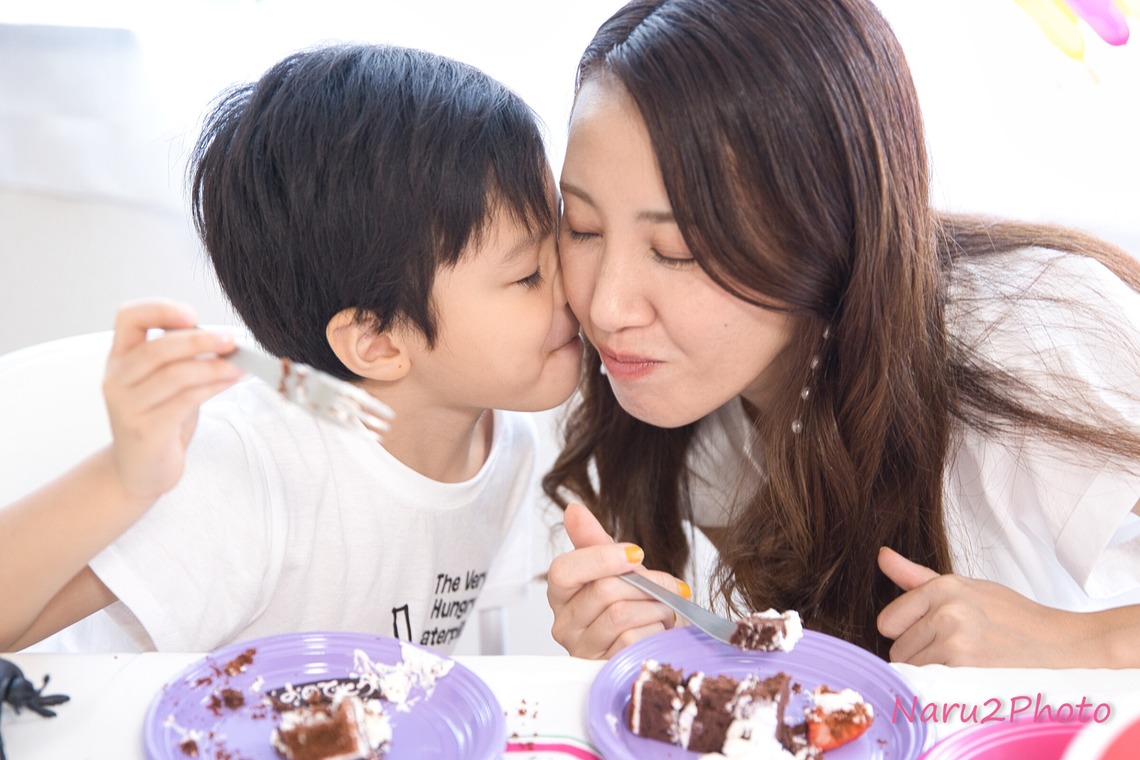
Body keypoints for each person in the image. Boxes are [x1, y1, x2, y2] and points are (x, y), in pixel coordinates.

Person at [543, 0, 1140, 667]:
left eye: (677, 248)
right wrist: (644, 651)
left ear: (822, 227)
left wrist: (1076, 641)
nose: (606, 304)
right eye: (584, 228)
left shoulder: (1034, 328)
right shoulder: (698, 402)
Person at [1, 43, 582, 654]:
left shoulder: (504, 441)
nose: (572, 284)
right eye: (526, 277)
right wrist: (125, 477)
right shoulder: (250, 473)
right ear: (378, 341)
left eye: (566, 240)